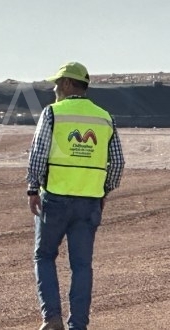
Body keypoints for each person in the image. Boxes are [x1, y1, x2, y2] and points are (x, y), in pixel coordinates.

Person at [26, 62, 125, 330]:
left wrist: (32, 188)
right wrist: (103, 190)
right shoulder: (104, 117)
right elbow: (116, 163)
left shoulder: (53, 113)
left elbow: (38, 153)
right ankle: (78, 325)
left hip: (55, 198)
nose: (54, 89)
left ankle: (52, 318)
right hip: (89, 202)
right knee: (82, 265)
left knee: (44, 257)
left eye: (57, 84)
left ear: (68, 84)